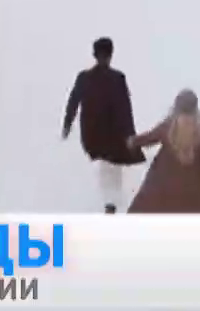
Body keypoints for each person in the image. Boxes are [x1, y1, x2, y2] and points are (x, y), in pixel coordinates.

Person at [61, 37, 146, 213]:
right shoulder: (118, 78)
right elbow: (125, 109)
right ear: (111, 55)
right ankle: (111, 203)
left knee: (105, 165)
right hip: (113, 135)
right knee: (113, 166)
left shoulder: (84, 78)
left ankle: (108, 202)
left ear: (94, 54)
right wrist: (130, 135)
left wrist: (67, 125)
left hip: (91, 135)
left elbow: (73, 103)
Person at [126, 89, 200, 214]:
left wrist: (132, 141)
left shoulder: (168, 127)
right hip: (198, 197)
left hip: (165, 191)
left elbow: (149, 138)